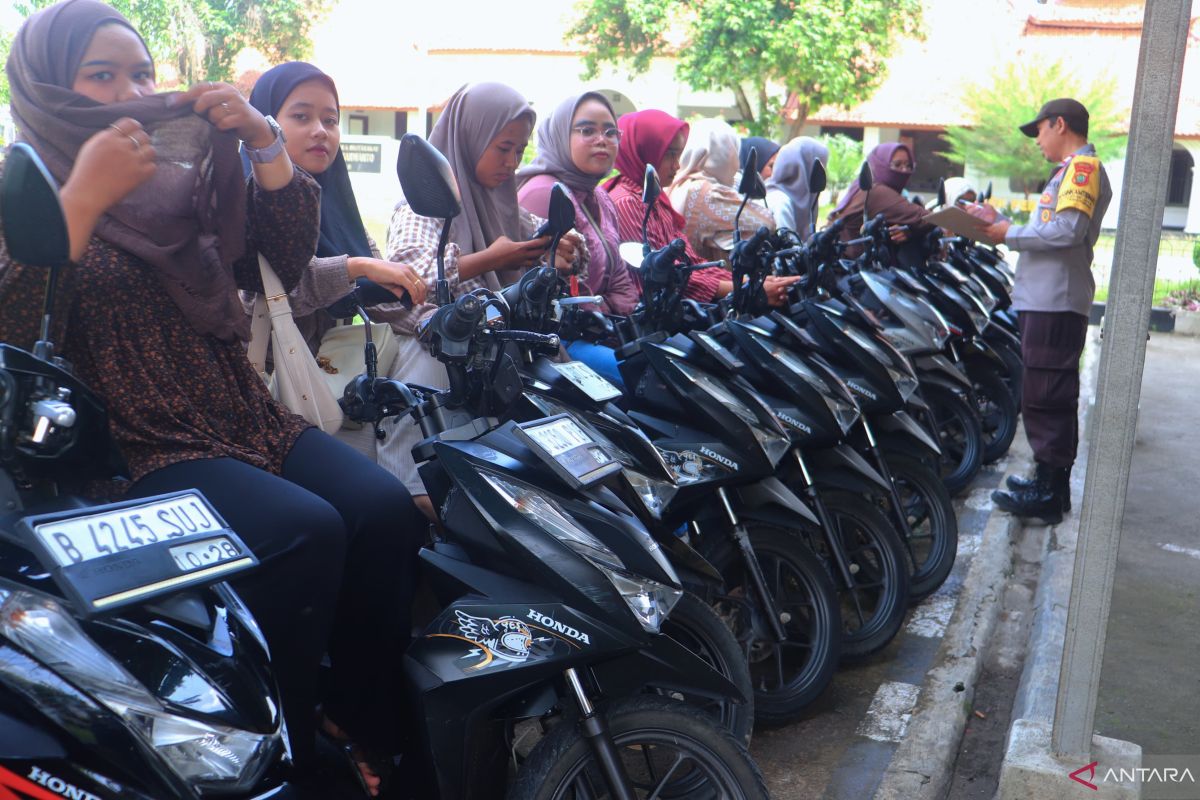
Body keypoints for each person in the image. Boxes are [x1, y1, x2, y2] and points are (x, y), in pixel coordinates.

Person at [0, 2, 424, 792]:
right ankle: (291, 749)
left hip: (236, 407)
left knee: (384, 511)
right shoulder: (20, 179)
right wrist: (81, 202)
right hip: (128, 439)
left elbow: (280, 260)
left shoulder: (173, 180)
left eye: (142, 72)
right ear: (48, 84)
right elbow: (13, 325)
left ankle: (360, 718)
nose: (133, 90)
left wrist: (264, 141)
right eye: (102, 75)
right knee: (306, 532)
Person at [381, 82, 584, 501]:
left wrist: (563, 248)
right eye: (503, 147)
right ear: (471, 137)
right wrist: (490, 259)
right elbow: (411, 277)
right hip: (443, 352)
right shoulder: (419, 206)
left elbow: (547, 244)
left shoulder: (504, 204)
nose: (511, 163)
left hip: (503, 354)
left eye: (519, 151)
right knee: (422, 478)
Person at [969, 98, 1112, 524]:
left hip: (1055, 302)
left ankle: (1048, 491)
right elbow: (1053, 227)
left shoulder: (1082, 170)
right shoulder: (1068, 173)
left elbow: (1066, 232)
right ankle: (1050, 484)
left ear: (1060, 124)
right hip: (1047, 300)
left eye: (1040, 132)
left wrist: (1007, 233)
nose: (1037, 143)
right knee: (1045, 393)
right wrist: (998, 221)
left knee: (1047, 395)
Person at [243, 61, 427, 354]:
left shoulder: (339, 211)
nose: (320, 131)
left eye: (330, 120)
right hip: (259, 383)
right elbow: (261, 294)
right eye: (302, 116)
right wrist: (355, 267)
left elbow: (386, 299)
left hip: (328, 383)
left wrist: (433, 319)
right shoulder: (241, 202)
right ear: (267, 124)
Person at [516, 91, 637, 316]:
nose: (602, 140)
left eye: (611, 132)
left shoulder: (600, 196)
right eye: (587, 131)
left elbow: (619, 272)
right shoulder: (545, 193)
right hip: (562, 335)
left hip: (606, 324)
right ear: (561, 136)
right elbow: (553, 290)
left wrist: (625, 315)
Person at [669, 118, 776, 263]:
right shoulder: (706, 194)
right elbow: (766, 222)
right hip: (709, 282)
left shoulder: (679, 184)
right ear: (727, 154)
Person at [828, 141, 935, 263]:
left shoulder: (865, 184)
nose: (904, 170)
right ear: (879, 164)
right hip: (848, 264)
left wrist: (907, 229)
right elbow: (930, 218)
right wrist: (913, 229)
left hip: (858, 262)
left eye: (908, 165)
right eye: (897, 164)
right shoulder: (875, 191)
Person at [765, 136, 830, 238]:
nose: (824, 173)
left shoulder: (802, 200)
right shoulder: (780, 203)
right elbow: (791, 249)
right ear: (807, 167)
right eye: (820, 167)